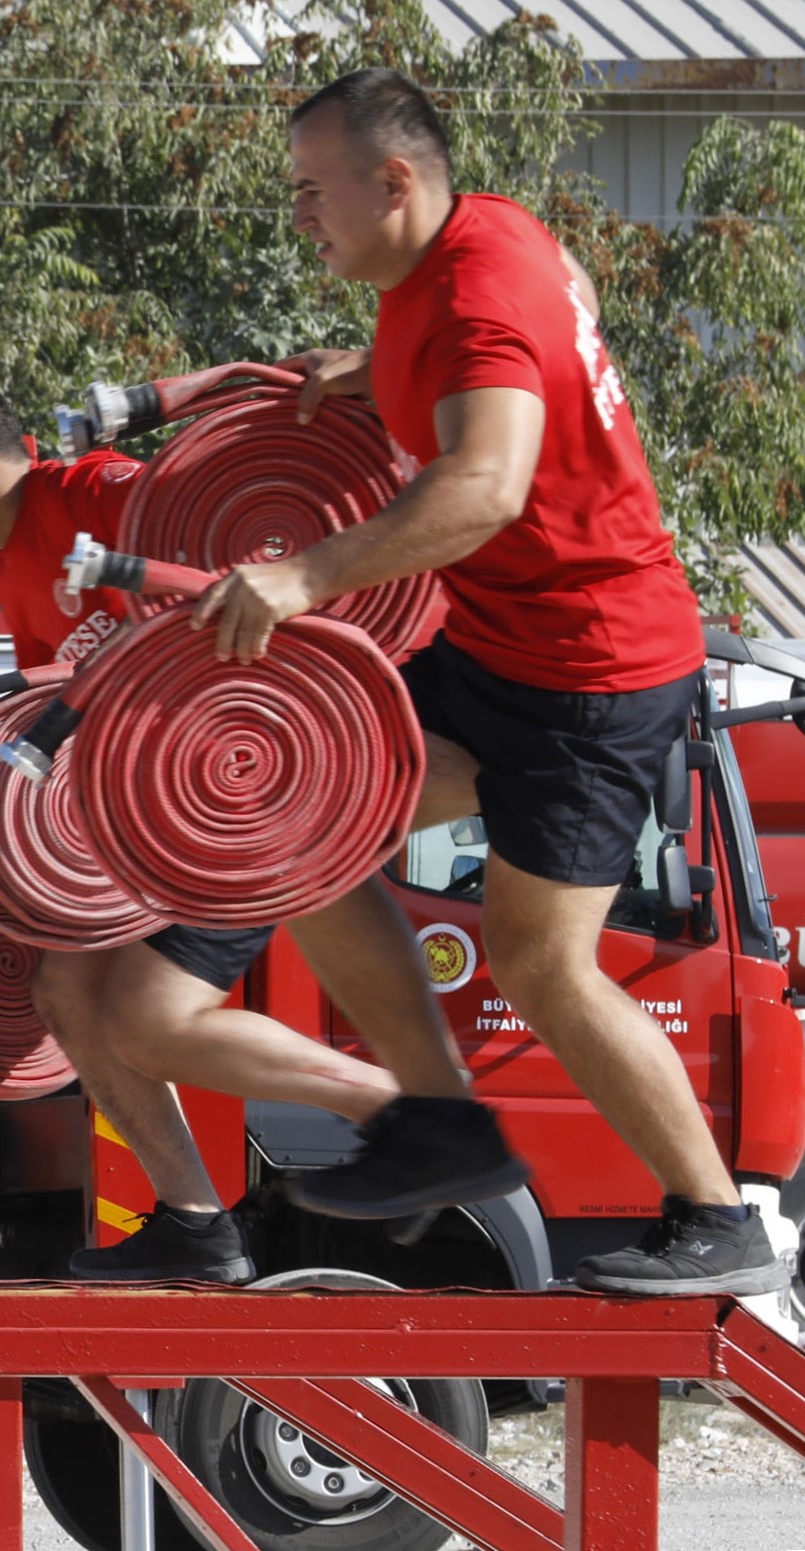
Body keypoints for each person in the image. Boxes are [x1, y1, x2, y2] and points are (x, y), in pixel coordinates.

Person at [194, 68, 784, 1295]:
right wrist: (380, 367)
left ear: (393, 182)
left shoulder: (472, 302)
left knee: (541, 963)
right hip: (500, 649)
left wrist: (303, 575)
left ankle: (718, 1220)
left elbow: (485, 488)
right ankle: (439, 1127)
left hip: (595, 679)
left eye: (313, 190)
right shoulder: (473, 249)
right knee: (306, 816)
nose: (298, 213)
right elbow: (519, 338)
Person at [0, 377, 402, 1283]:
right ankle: (196, 1226)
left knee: (148, 1017)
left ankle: (412, 1114)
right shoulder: (11, 569)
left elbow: (247, 543)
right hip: (158, 827)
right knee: (66, 990)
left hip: (237, 799)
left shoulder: (99, 496)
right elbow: (42, 719)